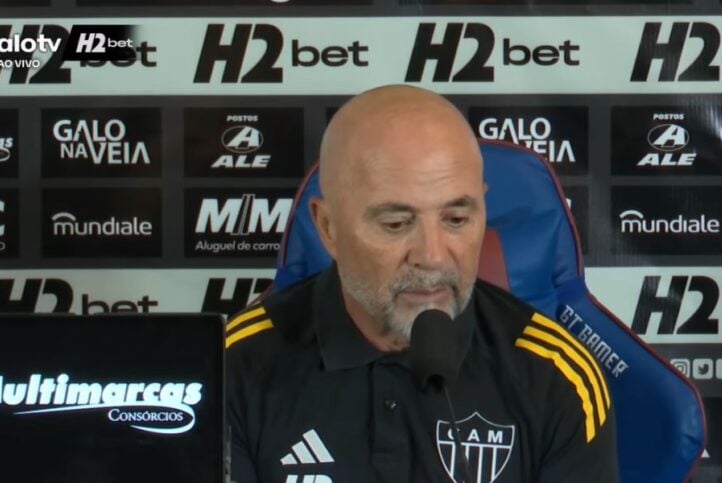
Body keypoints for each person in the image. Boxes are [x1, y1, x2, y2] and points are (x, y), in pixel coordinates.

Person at [226, 85, 618, 483]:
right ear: (328, 228)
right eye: (396, 224)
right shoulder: (233, 368)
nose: (432, 256)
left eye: (456, 220)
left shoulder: (558, 377)